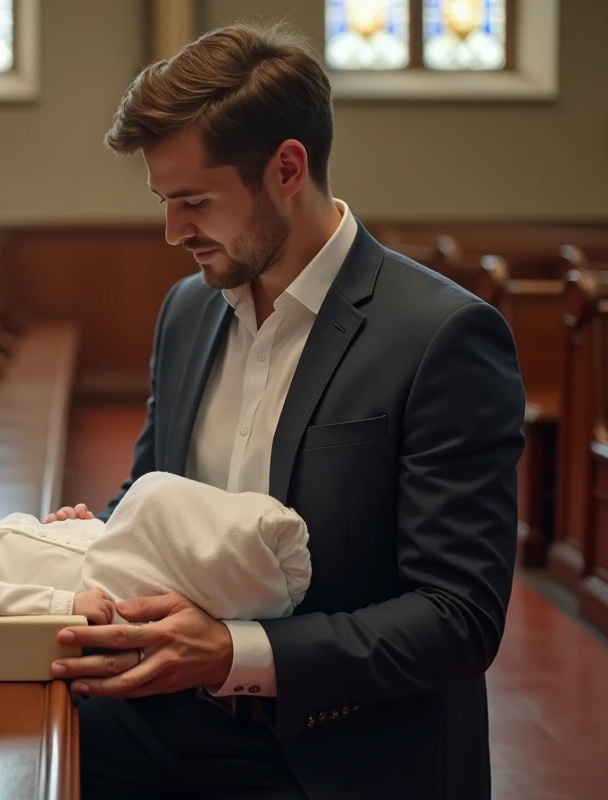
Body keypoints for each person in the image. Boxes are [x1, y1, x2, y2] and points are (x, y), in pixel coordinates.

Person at [38, 19, 526, 800]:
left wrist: (237, 653)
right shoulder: (187, 313)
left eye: (194, 201)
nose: (173, 233)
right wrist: (78, 542)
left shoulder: (441, 336)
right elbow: (156, 501)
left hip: (337, 743)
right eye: (164, 202)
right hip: (169, 711)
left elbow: (458, 617)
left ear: (287, 168)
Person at [0, 470, 310, 629]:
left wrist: (59, 529)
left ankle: (254, 565)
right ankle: (258, 566)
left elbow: (12, 555)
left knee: (157, 509)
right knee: (153, 497)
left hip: (99, 554)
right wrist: (65, 606)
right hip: (100, 587)